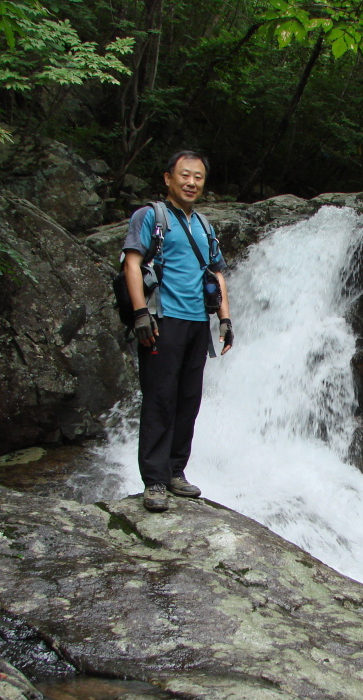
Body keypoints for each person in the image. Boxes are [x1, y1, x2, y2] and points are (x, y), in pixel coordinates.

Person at [121, 150, 234, 512]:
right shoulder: (151, 217)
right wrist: (140, 313)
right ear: (168, 178)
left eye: (198, 177)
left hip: (198, 323)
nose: (191, 182)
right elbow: (133, 263)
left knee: (188, 400)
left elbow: (216, 273)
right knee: (159, 399)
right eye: (184, 175)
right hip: (162, 320)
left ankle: (175, 472)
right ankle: (153, 480)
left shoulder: (204, 225)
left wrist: (225, 319)